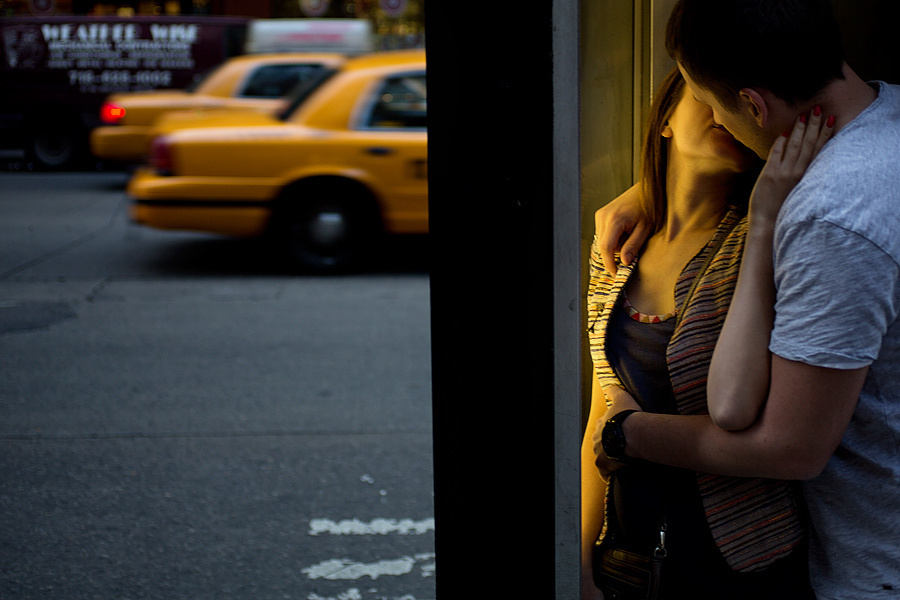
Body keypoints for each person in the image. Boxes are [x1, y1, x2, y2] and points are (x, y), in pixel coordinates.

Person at [592, 1, 900, 598]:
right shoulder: (886, 119)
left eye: (712, 104)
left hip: (872, 570)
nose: (711, 118)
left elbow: (788, 447)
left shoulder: (828, 218)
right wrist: (651, 186)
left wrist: (624, 435)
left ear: (753, 104)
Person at [581, 66, 830, 600]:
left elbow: (752, 414)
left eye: (742, 101)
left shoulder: (761, 244)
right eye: (710, 94)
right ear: (665, 116)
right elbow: (603, 415)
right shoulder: (617, 246)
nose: (726, 111)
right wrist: (578, 562)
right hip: (628, 553)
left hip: (740, 561)